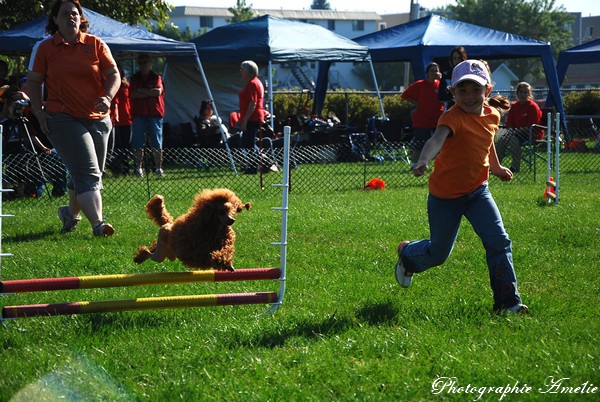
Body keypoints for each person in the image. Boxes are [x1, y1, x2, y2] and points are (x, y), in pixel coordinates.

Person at [395, 59, 527, 314]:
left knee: (499, 241)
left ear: (487, 90)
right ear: (452, 92)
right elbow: (436, 140)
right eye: (462, 91)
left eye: (476, 90)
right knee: (438, 254)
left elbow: (486, 142)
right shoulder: (451, 117)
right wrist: (423, 159)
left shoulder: (492, 115)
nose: (469, 96)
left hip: (478, 192)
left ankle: (507, 303)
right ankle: (408, 254)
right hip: (445, 197)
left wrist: (496, 168)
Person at [27, 0, 119, 236]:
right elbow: (34, 83)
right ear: (55, 20)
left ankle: (69, 214)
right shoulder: (45, 48)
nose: (71, 17)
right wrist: (39, 113)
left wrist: (107, 98)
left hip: (99, 118)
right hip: (62, 117)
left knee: (88, 172)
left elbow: (114, 74)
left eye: (75, 14)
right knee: (88, 174)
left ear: (81, 19)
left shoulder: (96, 44)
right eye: (65, 14)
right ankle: (99, 224)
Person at [401, 62, 445, 164]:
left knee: (439, 143)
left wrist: (442, 80)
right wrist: (417, 103)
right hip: (423, 119)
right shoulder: (420, 84)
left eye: (436, 71)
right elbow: (405, 95)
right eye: (432, 71)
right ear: (427, 73)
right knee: (419, 144)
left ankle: (438, 164)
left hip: (438, 118)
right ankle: (414, 164)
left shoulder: (441, 85)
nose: (434, 73)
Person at [130, 53, 165, 177]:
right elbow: (132, 94)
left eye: (145, 62)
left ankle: (158, 168)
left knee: (156, 140)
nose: (143, 65)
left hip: (154, 113)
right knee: (137, 141)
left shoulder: (156, 77)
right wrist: (149, 93)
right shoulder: (134, 78)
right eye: (141, 62)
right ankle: (138, 168)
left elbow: (158, 91)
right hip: (138, 113)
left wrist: (141, 91)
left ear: (150, 63)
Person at [496, 82, 543, 173]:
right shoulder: (514, 106)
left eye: (525, 92)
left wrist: (516, 132)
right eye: (521, 92)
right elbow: (509, 124)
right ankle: (497, 166)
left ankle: (515, 167)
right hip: (515, 134)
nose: (523, 94)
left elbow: (532, 126)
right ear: (517, 93)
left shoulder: (532, 107)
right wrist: (511, 131)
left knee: (513, 140)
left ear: (529, 94)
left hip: (530, 134)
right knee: (501, 140)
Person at [238, 60, 265, 174]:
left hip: (252, 117)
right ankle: (255, 164)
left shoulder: (252, 83)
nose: (240, 72)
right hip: (253, 117)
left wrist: (245, 120)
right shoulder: (256, 82)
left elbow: (252, 103)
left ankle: (255, 166)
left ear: (249, 72)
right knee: (248, 142)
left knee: (248, 142)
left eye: (242, 69)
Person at [107, 63, 132, 176]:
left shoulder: (126, 86)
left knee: (126, 145)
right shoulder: (111, 86)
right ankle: (115, 168)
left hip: (126, 119)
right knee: (115, 145)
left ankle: (125, 167)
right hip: (115, 120)